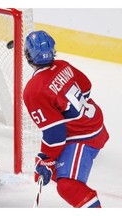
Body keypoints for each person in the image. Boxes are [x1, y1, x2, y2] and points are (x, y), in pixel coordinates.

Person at [23, 30, 109, 208]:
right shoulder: (63, 65)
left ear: (28, 56)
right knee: (55, 172)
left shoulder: (34, 90)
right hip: (94, 124)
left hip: (84, 137)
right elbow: (86, 87)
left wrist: (46, 159)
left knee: (68, 186)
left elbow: (55, 134)